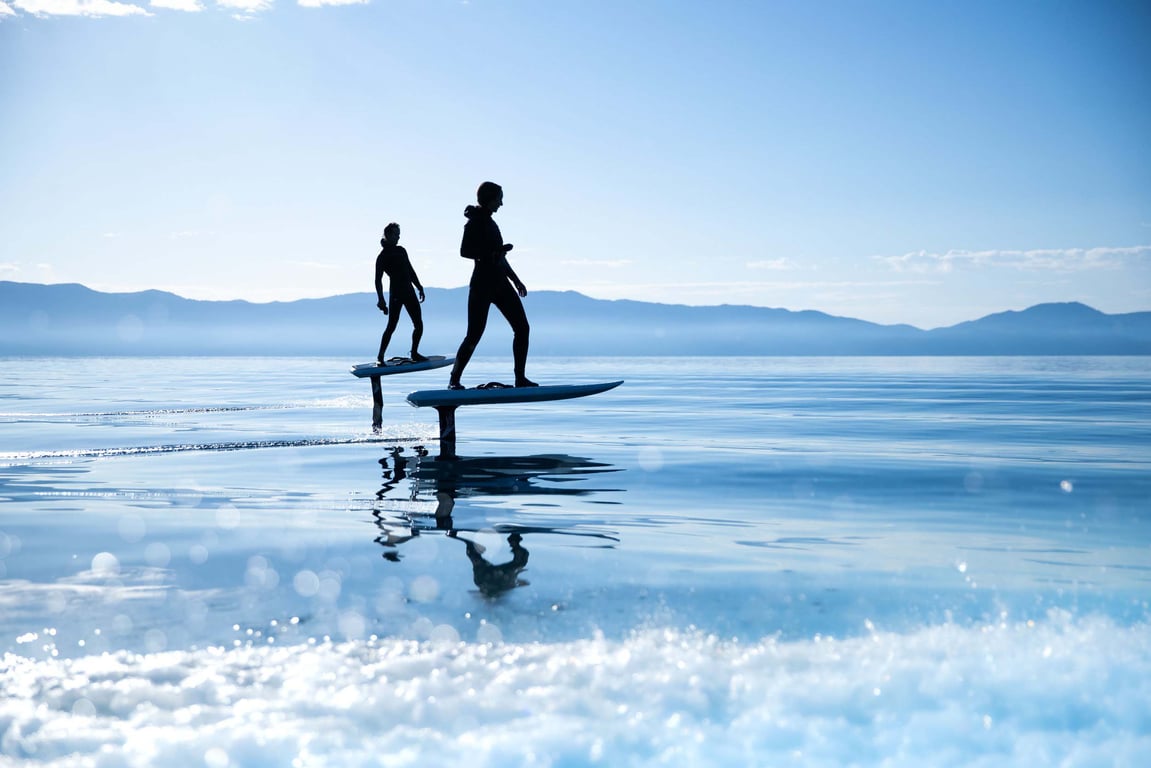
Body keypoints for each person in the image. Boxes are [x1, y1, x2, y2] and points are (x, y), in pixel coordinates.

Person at [447, 182, 536, 389]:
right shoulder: (474, 223)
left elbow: (500, 257)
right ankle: (454, 380)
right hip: (482, 283)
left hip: (500, 282)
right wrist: (490, 253)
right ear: (490, 199)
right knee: (474, 334)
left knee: (522, 328)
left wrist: (516, 280)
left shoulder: (492, 224)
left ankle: (520, 378)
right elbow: (465, 251)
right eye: (499, 198)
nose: (502, 203)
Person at [374, 222, 427, 365]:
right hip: (396, 294)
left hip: (409, 292)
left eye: (399, 234)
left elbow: (410, 270)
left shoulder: (401, 250)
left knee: (419, 324)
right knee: (391, 326)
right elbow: (378, 280)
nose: (399, 237)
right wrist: (381, 300)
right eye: (396, 234)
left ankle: (414, 352)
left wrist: (419, 286)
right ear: (389, 235)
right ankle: (380, 356)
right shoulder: (383, 256)